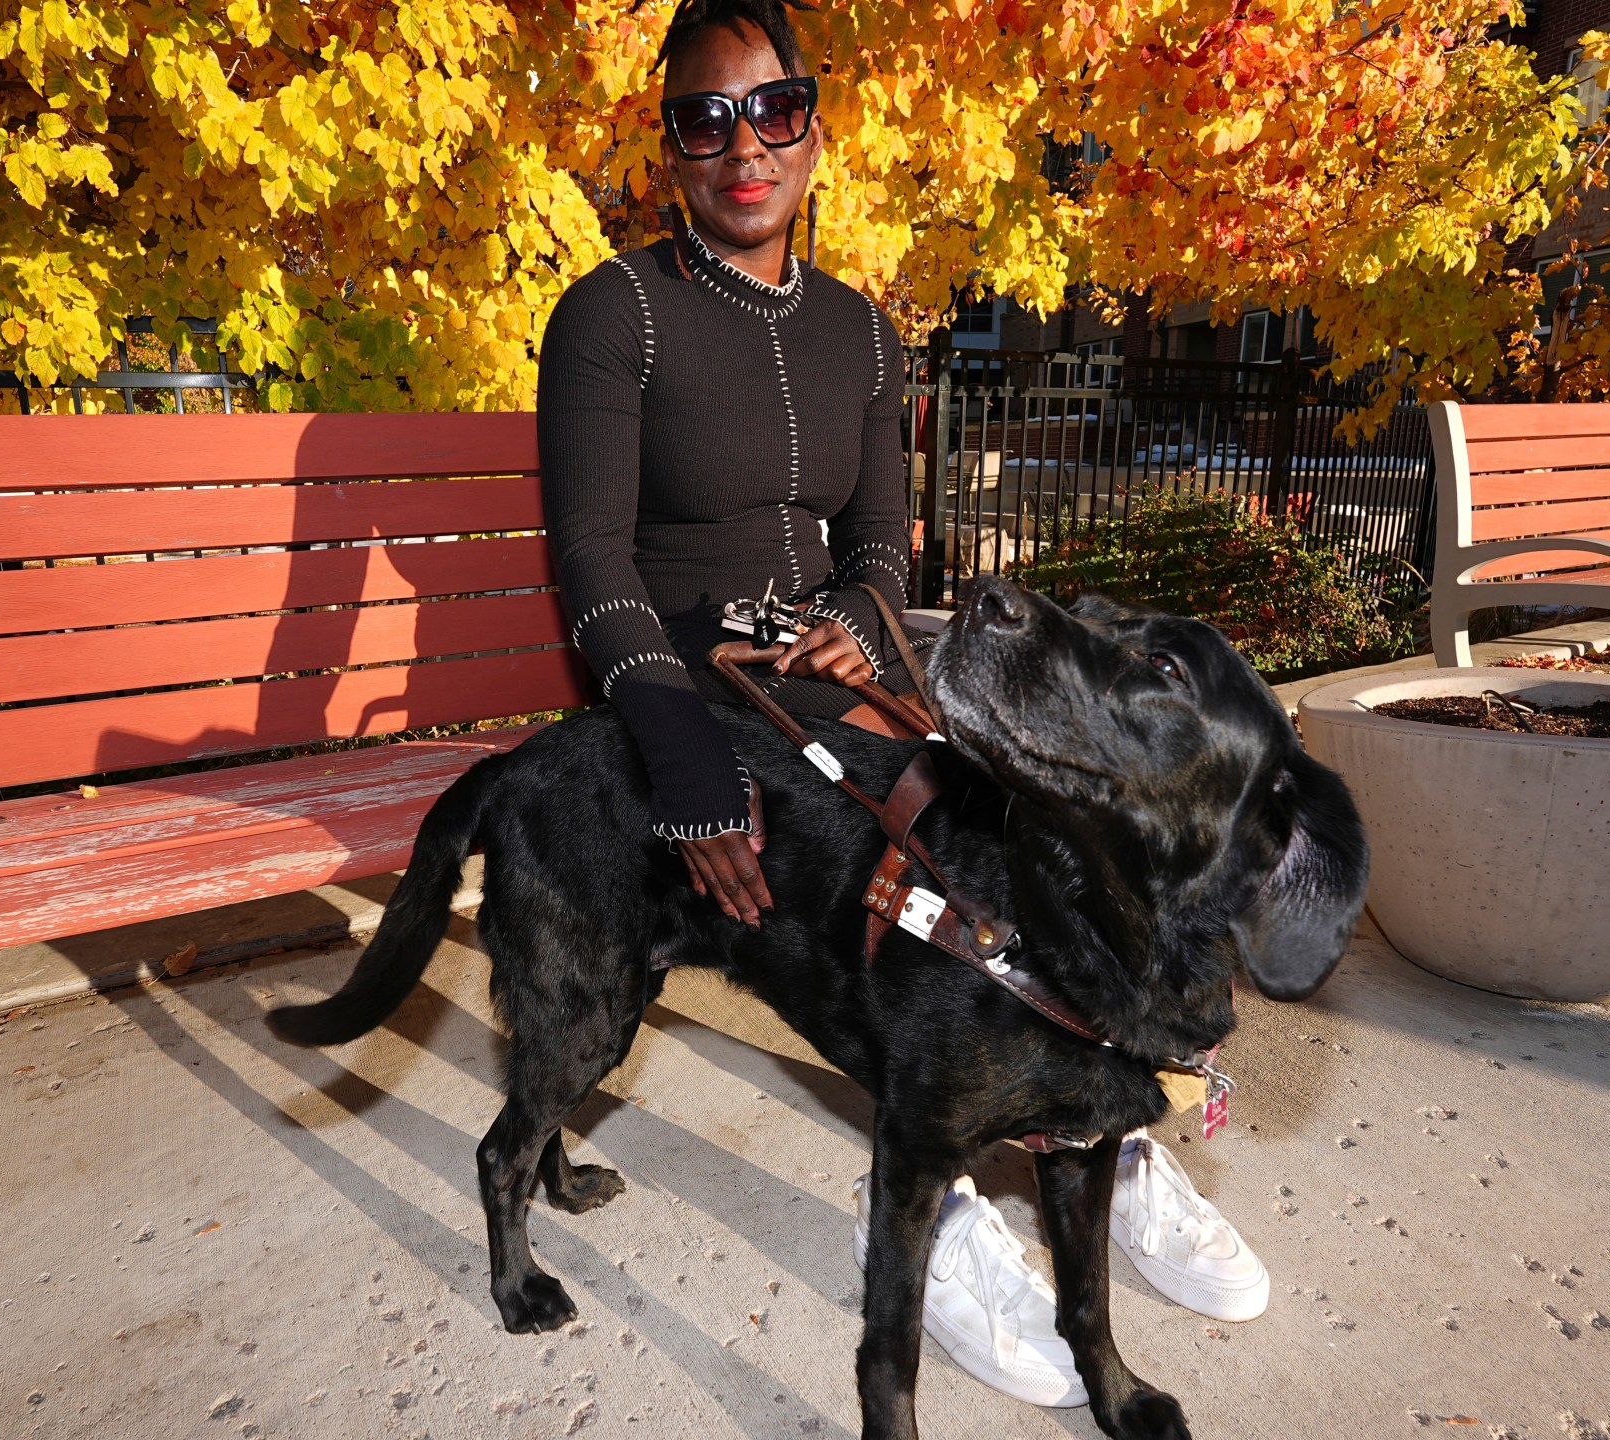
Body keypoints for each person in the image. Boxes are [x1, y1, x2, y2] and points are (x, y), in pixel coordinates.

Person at [534, 0, 1270, 1407]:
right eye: (702, 117)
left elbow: (883, 554)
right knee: (893, 853)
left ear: (816, 125)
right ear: (668, 143)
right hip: (684, 673)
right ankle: (938, 1194)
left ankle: (1115, 1111)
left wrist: (855, 632)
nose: (740, 146)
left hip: (830, 666)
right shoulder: (613, 312)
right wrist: (683, 762)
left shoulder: (867, 335)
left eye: (772, 110)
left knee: (1028, 811)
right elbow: (591, 562)